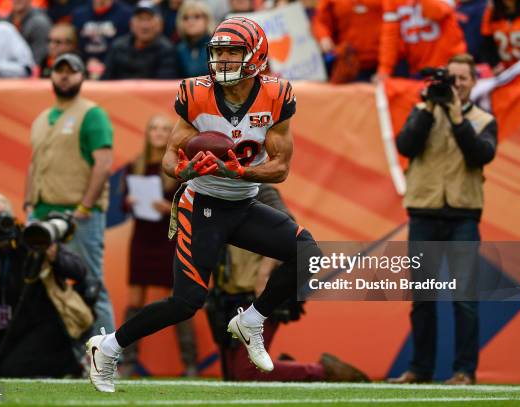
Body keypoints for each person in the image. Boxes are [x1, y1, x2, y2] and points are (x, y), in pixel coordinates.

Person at [85, 16, 322, 393]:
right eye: (219, 52)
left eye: (233, 52)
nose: (224, 60)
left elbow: (279, 170)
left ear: (256, 55)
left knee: (308, 253)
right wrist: (187, 168)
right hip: (203, 205)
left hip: (243, 203)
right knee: (186, 302)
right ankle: (107, 347)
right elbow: (169, 158)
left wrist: (238, 173)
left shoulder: (276, 95)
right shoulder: (196, 93)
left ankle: (252, 320)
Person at [388, 54, 497, 385]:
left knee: (464, 298)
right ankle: (420, 370)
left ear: (474, 83)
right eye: (452, 78)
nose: (457, 84)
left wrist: (455, 117)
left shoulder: (483, 119)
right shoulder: (422, 112)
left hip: (463, 215)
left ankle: (464, 371)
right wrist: (430, 109)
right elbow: (405, 145)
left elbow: (481, 154)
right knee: (423, 298)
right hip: (424, 212)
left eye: (463, 79)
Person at [207, 184, 369, 382]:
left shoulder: (261, 189)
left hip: (257, 295)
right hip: (226, 296)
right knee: (232, 376)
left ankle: (321, 371)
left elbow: (289, 231)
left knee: (245, 373)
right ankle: (289, 366)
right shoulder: (215, 189)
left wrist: (264, 273)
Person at [24, 53, 116, 337]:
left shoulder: (92, 114)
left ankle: (108, 356)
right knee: (41, 287)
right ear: (50, 76)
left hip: (76, 216)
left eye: (71, 71)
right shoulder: (41, 118)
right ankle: (60, 357)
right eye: (58, 71)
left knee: (90, 284)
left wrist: (85, 207)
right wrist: (28, 204)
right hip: (41, 214)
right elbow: (34, 163)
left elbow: (103, 164)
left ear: (82, 77)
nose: (64, 76)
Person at [0, 192, 94, 377]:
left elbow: (80, 272)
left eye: (3, 216)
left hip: (50, 323)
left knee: (11, 370)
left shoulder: (32, 236)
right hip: (13, 329)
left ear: (12, 215)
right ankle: (62, 365)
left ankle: (73, 365)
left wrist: (55, 256)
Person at [119, 114, 198, 377]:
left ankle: (190, 365)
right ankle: (127, 361)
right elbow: (121, 206)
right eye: (154, 128)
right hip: (142, 238)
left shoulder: (180, 166)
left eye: (165, 129)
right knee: (134, 300)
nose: (159, 133)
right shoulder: (135, 165)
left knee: (179, 300)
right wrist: (129, 201)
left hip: (170, 239)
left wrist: (169, 208)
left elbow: (192, 206)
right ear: (147, 133)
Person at [376, 0, 467, 79]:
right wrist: (385, 69)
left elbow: (435, 12)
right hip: (419, 68)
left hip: (451, 65)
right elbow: (390, 35)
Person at [101, 1, 178, 80]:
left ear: (160, 24)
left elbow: (164, 86)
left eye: (149, 19)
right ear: (131, 23)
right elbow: (104, 81)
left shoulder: (166, 50)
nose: (144, 25)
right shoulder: (118, 47)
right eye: (140, 19)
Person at [313, 0, 383, 82]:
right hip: (348, 64)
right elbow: (321, 21)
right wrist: (324, 37)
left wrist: (385, 69)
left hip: (383, 63)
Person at [71, 0, 132, 78]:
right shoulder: (79, 13)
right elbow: (75, 44)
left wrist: (106, 64)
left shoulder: (126, 14)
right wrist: (86, 61)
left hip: (116, 69)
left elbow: (128, 45)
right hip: (83, 67)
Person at [7, 0, 52, 67]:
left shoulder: (39, 23)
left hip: (29, 72)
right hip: (6, 70)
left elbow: (38, 59)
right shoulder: (4, 22)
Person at [175, 0, 213, 78]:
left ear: (207, 20)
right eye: (186, 18)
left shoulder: (216, 47)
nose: (190, 21)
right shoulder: (178, 50)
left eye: (197, 16)